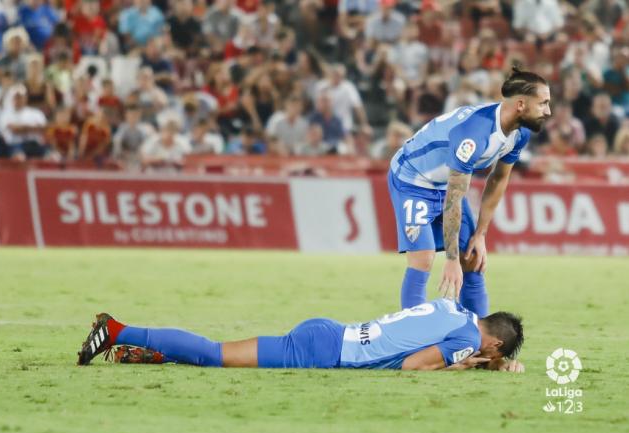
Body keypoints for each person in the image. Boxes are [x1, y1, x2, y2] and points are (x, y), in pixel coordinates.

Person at [388, 67, 551, 317]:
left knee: (473, 260)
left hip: (445, 184)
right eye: (543, 103)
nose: (547, 111)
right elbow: (454, 196)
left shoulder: (520, 133)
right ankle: (413, 344)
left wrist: (481, 234)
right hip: (412, 180)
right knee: (423, 259)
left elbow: (498, 180)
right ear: (520, 104)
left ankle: (480, 346)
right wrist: (452, 260)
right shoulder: (474, 135)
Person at [77, 298, 524, 372]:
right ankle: (117, 330)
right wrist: (459, 365)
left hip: (331, 330)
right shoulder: (468, 341)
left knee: (221, 355)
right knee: (217, 355)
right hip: (324, 352)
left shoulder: (456, 310)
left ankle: (155, 355)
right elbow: (411, 367)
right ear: (494, 345)